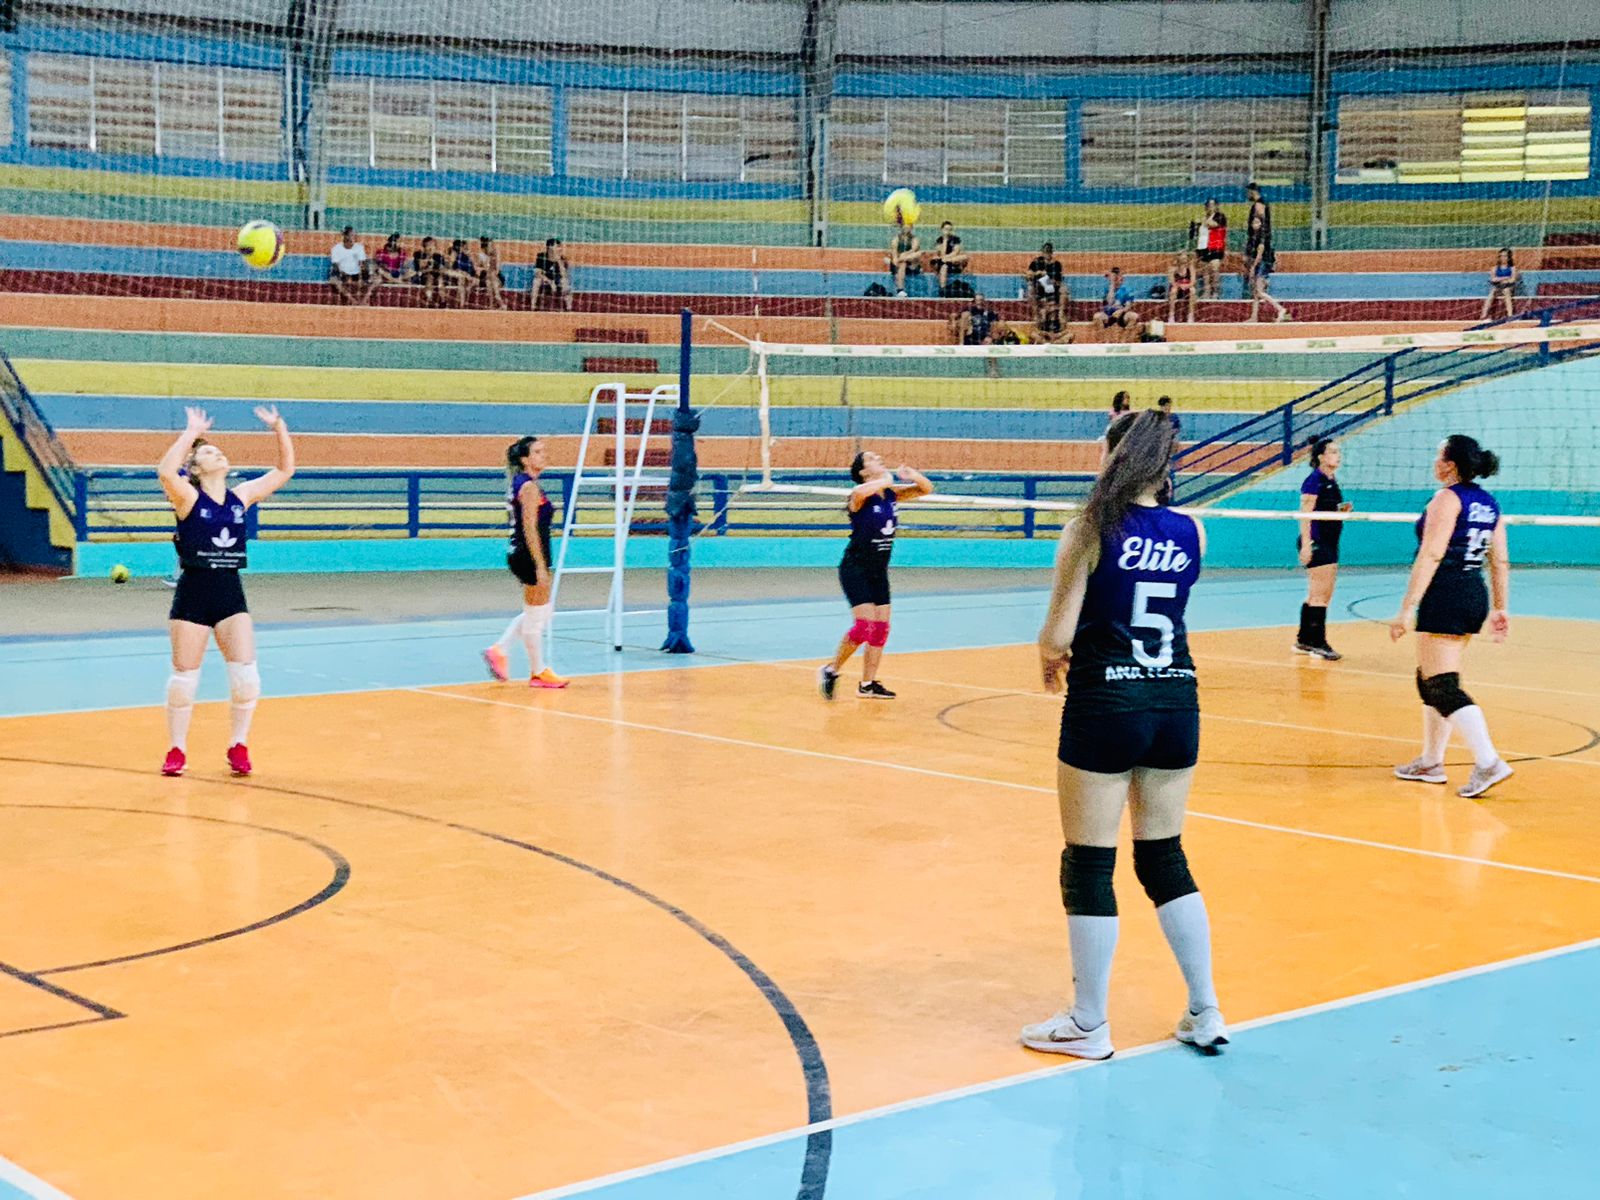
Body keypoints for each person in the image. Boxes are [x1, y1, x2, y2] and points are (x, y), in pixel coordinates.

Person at [1023, 409, 1226, 1059]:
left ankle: (1088, 1023)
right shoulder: (1192, 529)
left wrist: (1049, 659)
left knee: (1088, 863)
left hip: (1106, 704)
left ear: (1114, 455)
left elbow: (1057, 635)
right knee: (1164, 856)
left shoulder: (1090, 526)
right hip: (1175, 703)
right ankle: (1205, 1009)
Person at [155, 404, 295, 777]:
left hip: (230, 594)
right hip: (193, 595)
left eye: (218, 450)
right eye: (208, 453)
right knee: (184, 680)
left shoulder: (241, 497)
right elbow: (166, 471)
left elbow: (285, 470)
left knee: (247, 678)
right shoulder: (188, 499)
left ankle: (238, 745)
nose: (218, 453)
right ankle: (177, 749)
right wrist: (190, 433)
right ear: (197, 470)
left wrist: (279, 427)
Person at [1390, 435, 1512, 798]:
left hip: (1445, 592)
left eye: (1438, 454)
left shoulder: (1447, 498)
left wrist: (1406, 608)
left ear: (1450, 464)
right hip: (1472, 592)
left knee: (1441, 685)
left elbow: (1431, 554)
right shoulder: (1489, 503)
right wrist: (1500, 606)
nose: (1434, 461)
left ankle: (1488, 762)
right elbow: (1499, 559)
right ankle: (1431, 761)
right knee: (1430, 678)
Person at [817, 452, 934, 700]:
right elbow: (866, 491)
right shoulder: (859, 494)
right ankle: (831, 670)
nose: (878, 458)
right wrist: (887, 478)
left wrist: (913, 475)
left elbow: (925, 489)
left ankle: (867, 684)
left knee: (880, 630)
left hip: (878, 570)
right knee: (863, 628)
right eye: (871, 458)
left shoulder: (890, 492)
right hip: (855, 567)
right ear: (862, 471)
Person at [483, 435, 569, 689]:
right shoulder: (528, 487)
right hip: (528, 554)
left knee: (542, 612)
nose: (545, 455)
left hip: (525, 552)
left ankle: (500, 649)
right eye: (539, 452)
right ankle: (538, 671)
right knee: (537, 615)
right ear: (525, 459)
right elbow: (529, 528)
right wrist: (540, 565)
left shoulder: (524, 483)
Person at [1295, 437, 1353, 660]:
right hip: (1317, 542)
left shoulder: (1331, 480)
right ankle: (1318, 642)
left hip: (1329, 541)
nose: (1338, 455)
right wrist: (1307, 544)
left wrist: (1340, 512)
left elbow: (1324, 512)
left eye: (1339, 452)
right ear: (1321, 456)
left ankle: (1304, 639)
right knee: (1322, 594)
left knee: (1316, 593)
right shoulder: (1314, 480)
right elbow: (1306, 514)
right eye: (1333, 452)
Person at [1245, 209, 1291, 323]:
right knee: (1256, 293)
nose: (1254, 224)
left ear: (1261, 223)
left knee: (1259, 291)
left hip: (1263, 264)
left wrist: (1253, 267)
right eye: (1253, 222)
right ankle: (1254, 317)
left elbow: (1260, 252)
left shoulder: (1261, 235)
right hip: (1263, 263)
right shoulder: (1255, 236)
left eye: (1257, 222)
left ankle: (1281, 309)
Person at [1023, 242, 1065, 332]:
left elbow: (1058, 282)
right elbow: (1027, 276)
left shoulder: (1057, 264)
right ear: (1042, 252)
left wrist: (1046, 278)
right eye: (1045, 252)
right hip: (1038, 288)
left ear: (1052, 252)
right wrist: (1037, 273)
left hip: (1051, 289)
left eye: (1049, 252)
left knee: (1064, 289)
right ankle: (1036, 314)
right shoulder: (1036, 262)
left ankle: (1061, 314)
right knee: (1030, 288)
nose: (1047, 254)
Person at [328, 226, 375, 305]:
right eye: (352, 235)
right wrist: (345, 276)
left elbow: (362, 264)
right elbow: (336, 266)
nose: (355, 237)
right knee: (334, 281)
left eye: (355, 235)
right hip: (342, 273)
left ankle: (364, 301)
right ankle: (354, 301)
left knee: (377, 280)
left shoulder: (359, 247)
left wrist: (363, 276)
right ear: (346, 236)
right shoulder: (336, 248)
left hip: (356, 273)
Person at [1092, 266, 1142, 339]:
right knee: (1097, 316)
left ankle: (1124, 341)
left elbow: (1128, 306)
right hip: (1108, 315)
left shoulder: (1127, 289)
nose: (1117, 279)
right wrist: (1112, 284)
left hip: (1122, 315)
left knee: (1134, 316)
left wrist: (1121, 311)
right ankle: (1104, 342)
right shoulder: (1107, 288)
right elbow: (1110, 302)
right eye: (1114, 277)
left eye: (1118, 276)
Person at [1192, 198, 1227, 300]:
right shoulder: (1204, 218)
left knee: (1214, 269)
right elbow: (1196, 234)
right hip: (1203, 246)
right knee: (1205, 271)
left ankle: (1215, 291)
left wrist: (1201, 221)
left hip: (1216, 246)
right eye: (1208, 205)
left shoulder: (1220, 216)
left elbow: (1213, 224)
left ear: (1216, 206)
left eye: (1212, 205)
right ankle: (1206, 291)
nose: (1210, 208)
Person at [925, 221, 970, 294]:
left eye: (949, 229)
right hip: (943, 263)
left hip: (952, 260)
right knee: (944, 266)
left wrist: (947, 258)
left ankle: (946, 261)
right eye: (946, 229)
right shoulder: (939, 240)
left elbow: (956, 251)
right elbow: (941, 253)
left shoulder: (955, 239)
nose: (948, 231)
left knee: (964, 257)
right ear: (942, 229)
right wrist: (945, 240)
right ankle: (942, 288)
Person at [531, 238, 572, 310]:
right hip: (545, 278)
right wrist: (550, 282)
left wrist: (558, 261)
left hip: (557, 278)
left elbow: (564, 275)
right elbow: (538, 273)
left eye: (559, 246)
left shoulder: (563, 259)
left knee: (565, 282)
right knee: (536, 281)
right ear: (549, 247)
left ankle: (569, 307)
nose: (560, 249)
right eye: (557, 246)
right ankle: (533, 306)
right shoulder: (541, 256)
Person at [885, 222, 922, 298]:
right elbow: (894, 251)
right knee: (903, 264)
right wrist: (896, 259)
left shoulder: (914, 239)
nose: (906, 229)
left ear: (911, 228)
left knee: (919, 253)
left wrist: (904, 254)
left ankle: (897, 260)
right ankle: (900, 290)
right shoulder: (896, 238)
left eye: (908, 227)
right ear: (902, 227)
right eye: (905, 227)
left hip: (911, 263)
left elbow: (914, 249)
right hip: (900, 265)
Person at [1481, 248, 1519, 321]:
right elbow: (1493, 279)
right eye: (1501, 256)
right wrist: (1505, 278)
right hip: (1498, 286)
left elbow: (1512, 279)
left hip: (1508, 286)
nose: (1503, 258)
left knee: (1506, 291)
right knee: (1492, 292)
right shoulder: (1495, 268)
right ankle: (1484, 315)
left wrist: (1504, 280)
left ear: (1508, 257)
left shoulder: (1512, 268)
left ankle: (1510, 315)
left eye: (1505, 256)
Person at [408, 236, 446, 307]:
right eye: (429, 245)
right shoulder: (419, 255)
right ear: (424, 247)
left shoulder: (439, 256)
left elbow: (442, 269)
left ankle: (443, 301)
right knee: (429, 277)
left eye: (433, 245)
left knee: (440, 279)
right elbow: (420, 269)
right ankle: (429, 300)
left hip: (436, 275)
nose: (432, 247)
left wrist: (432, 267)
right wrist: (429, 258)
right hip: (422, 276)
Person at [476, 235, 508, 310]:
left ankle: (503, 306)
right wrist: (483, 268)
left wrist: (492, 271)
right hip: (488, 277)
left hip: (496, 277)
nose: (492, 247)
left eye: (492, 245)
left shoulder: (496, 255)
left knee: (496, 294)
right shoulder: (483, 256)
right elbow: (478, 267)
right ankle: (491, 307)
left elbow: (497, 270)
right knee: (490, 293)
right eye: (490, 245)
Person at [1167, 250, 1197, 323]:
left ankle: (1190, 315)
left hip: (1187, 287)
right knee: (1173, 290)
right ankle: (1171, 315)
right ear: (1178, 257)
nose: (1184, 258)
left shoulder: (1190, 267)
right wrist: (1180, 285)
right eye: (1182, 256)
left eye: (1185, 256)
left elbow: (1193, 281)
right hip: (1177, 288)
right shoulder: (1172, 268)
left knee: (1193, 290)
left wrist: (1187, 285)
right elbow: (1172, 281)